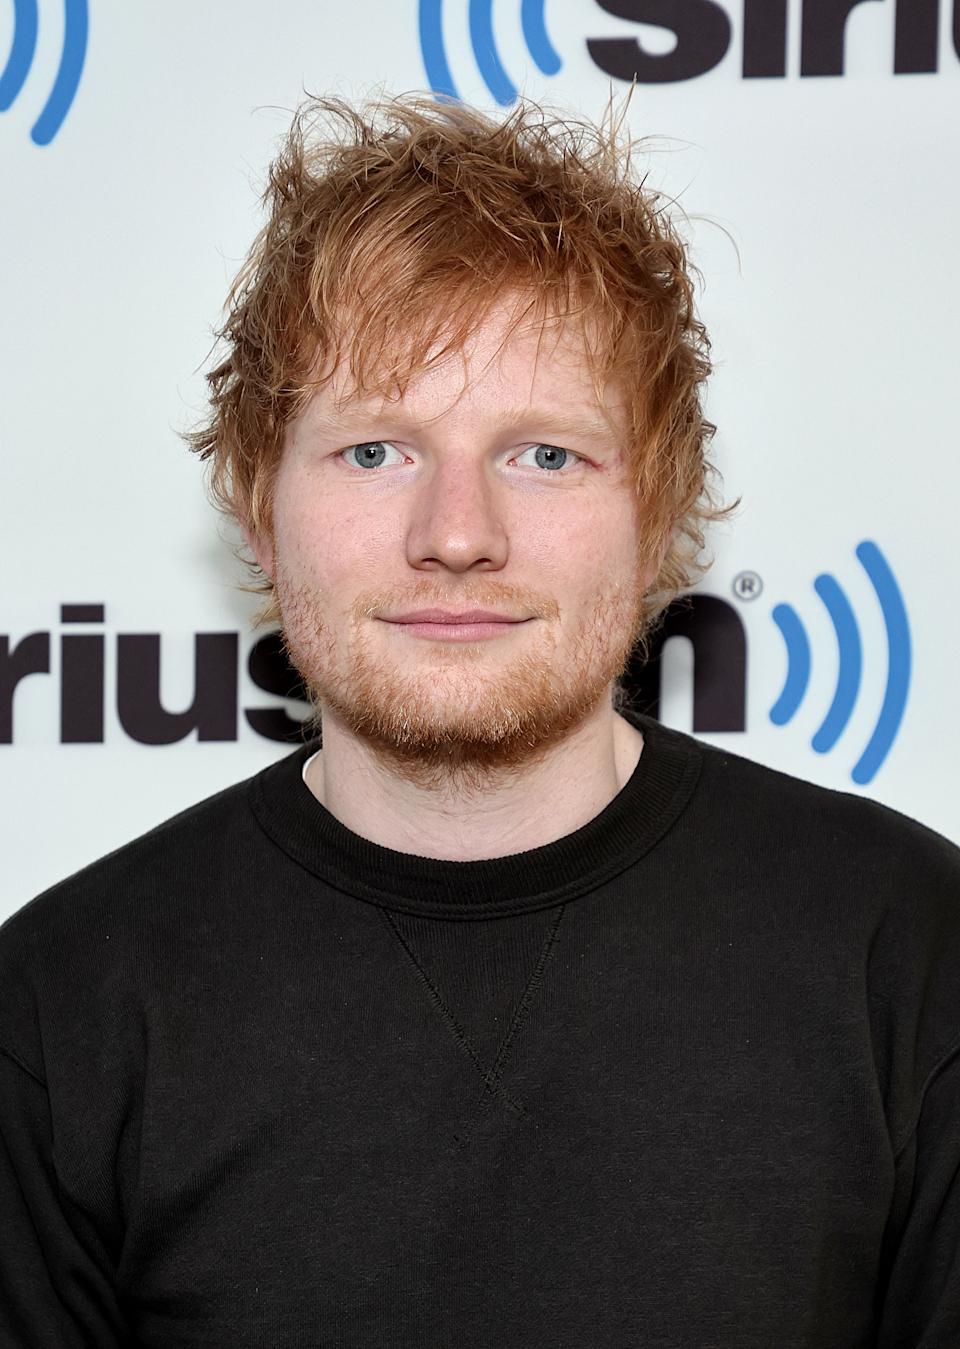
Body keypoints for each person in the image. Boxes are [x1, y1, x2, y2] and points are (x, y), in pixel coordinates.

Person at [1, 92, 958, 1349]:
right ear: (256, 505)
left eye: (544, 454)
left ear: (662, 510)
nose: (457, 534)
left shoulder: (912, 951)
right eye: (375, 451)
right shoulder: (59, 1008)